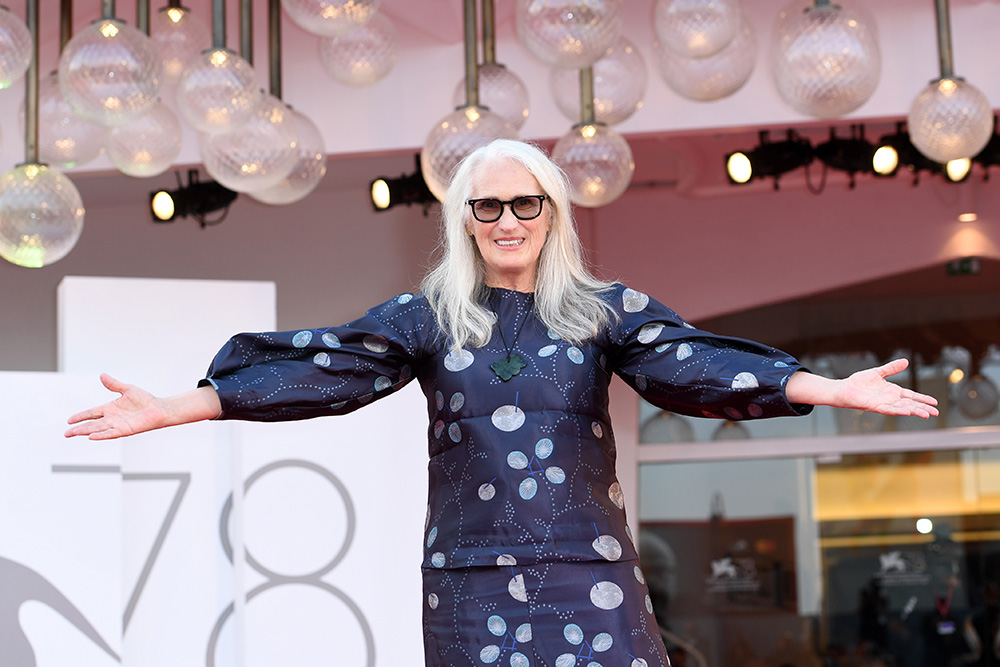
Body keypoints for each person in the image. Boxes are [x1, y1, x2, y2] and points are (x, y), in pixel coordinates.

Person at [66, 139, 938, 667]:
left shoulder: (603, 311)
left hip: (588, 574)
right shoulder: (427, 318)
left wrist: (827, 387)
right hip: (469, 586)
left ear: (552, 214)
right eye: (489, 205)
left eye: (527, 203)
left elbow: (697, 363)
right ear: (467, 218)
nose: (508, 219)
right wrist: (181, 406)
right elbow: (322, 368)